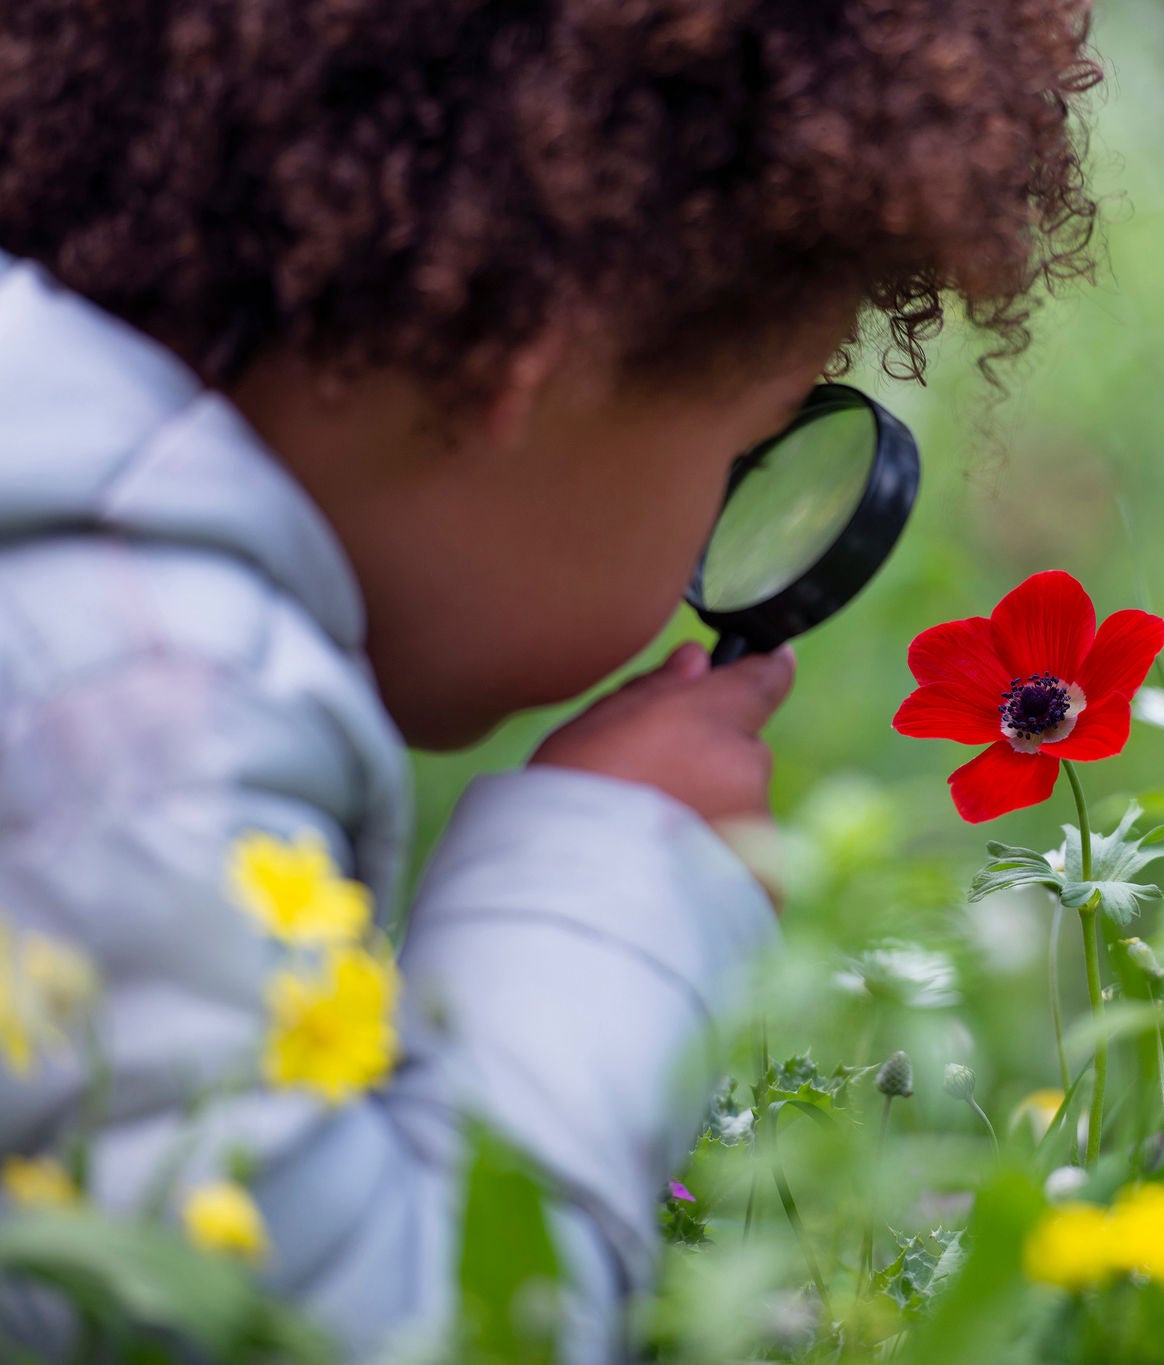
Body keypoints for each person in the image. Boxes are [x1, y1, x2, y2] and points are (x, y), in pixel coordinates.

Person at [0, 1, 1098, 1357]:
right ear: (531, 348)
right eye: (741, 455)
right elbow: (358, 1330)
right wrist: (595, 880)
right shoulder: (139, 697)